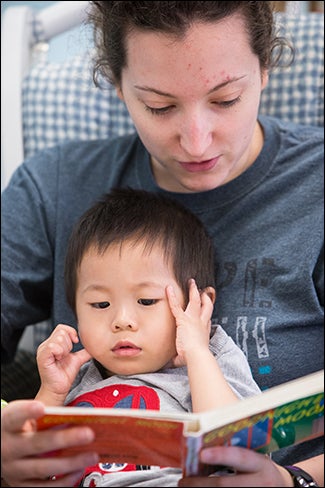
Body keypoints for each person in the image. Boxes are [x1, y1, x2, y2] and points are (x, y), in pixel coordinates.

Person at [1, 1, 323, 487]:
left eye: (225, 99)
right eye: (159, 106)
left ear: (263, 70)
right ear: (117, 84)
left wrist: (291, 481)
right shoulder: (53, 188)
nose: (197, 142)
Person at [34, 187, 261, 486]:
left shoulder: (213, 359)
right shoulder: (76, 377)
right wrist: (51, 393)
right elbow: (32, 467)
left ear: (199, 304)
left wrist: (196, 353)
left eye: (146, 301)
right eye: (100, 305)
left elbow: (240, 452)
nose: (122, 321)